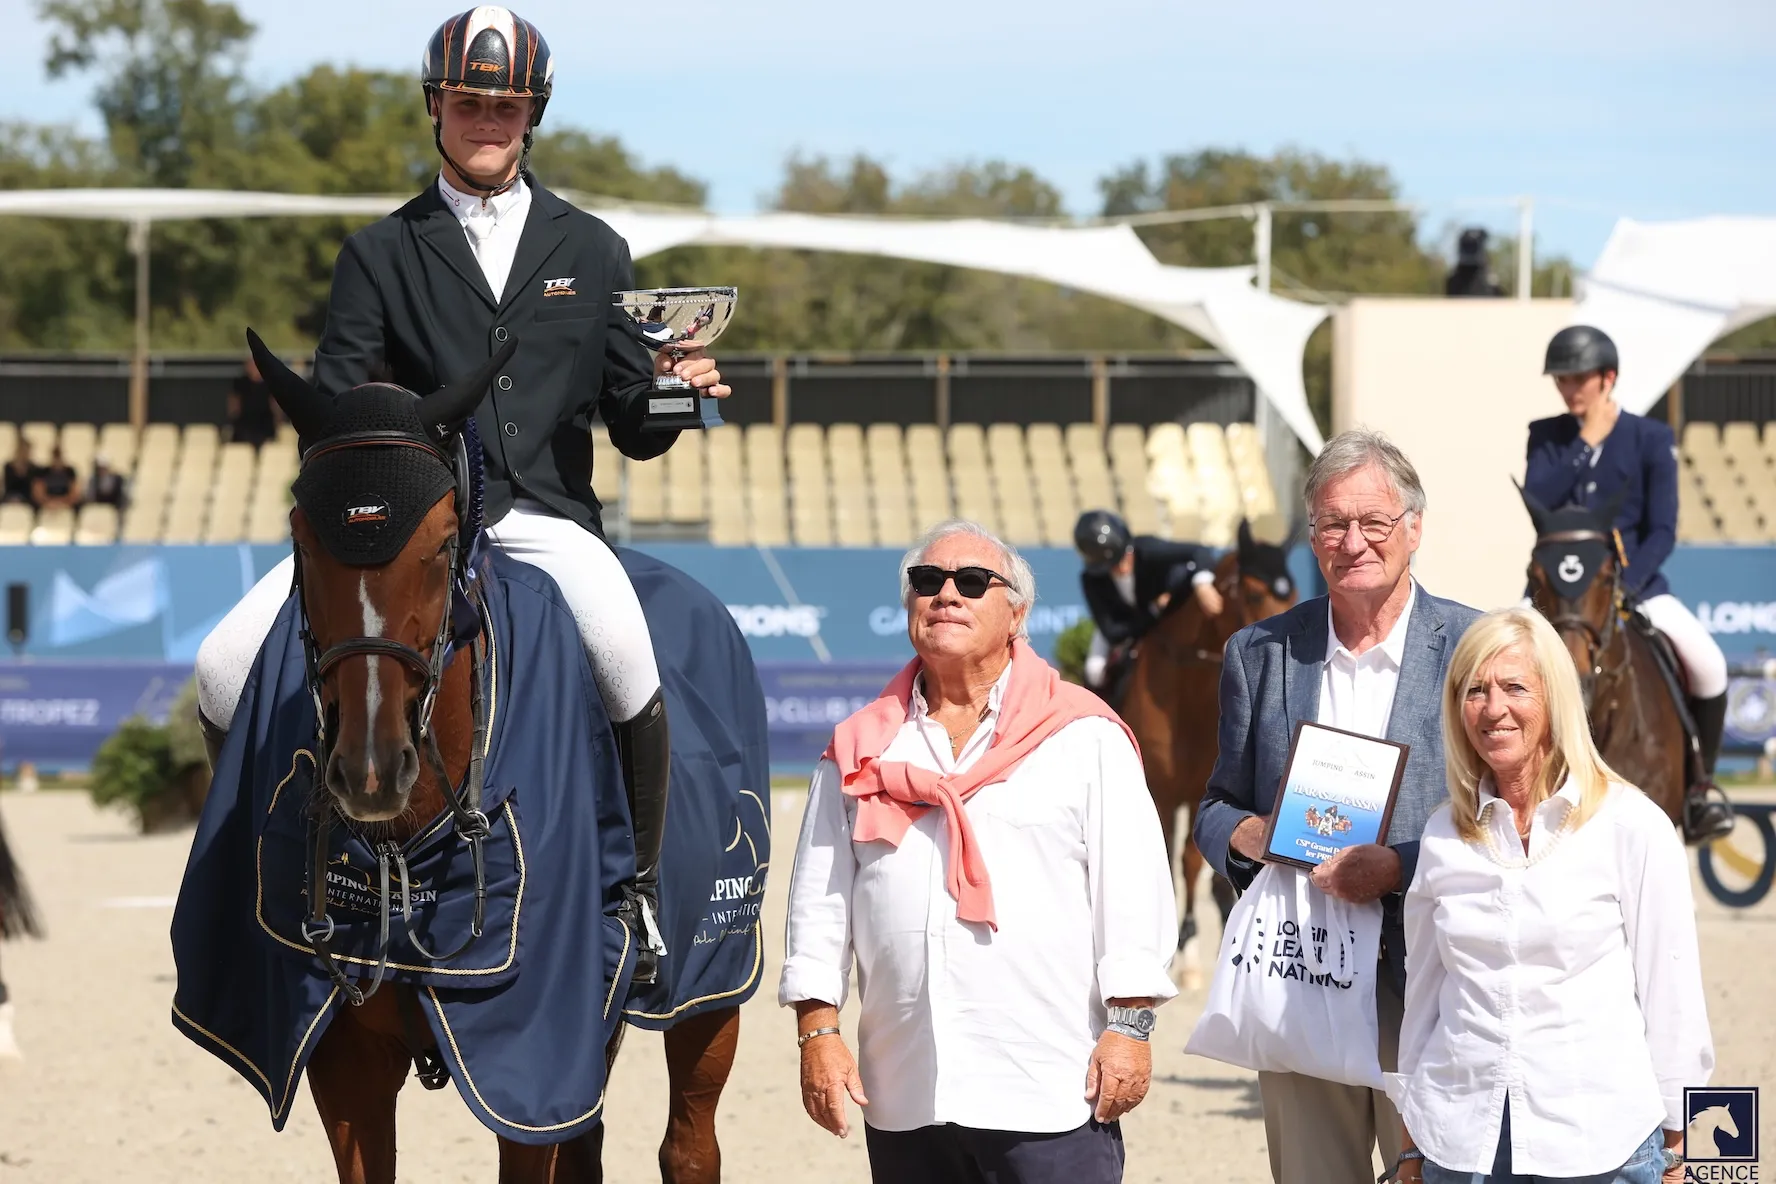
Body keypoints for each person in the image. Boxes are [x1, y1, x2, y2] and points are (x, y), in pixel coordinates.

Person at [190, 6, 731, 984]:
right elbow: (344, 406)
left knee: (625, 648)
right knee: (223, 661)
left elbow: (633, 424)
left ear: (533, 114)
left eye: (508, 104)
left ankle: (638, 895)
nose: (489, 119)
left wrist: (678, 394)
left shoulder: (593, 248)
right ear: (437, 105)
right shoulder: (379, 253)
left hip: (545, 516)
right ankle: (251, 878)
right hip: (411, 519)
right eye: (471, 101)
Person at [782, 518, 1178, 1184]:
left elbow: (1134, 892)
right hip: (905, 1091)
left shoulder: (1084, 736)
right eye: (927, 581)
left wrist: (1131, 1029)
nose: (946, 595)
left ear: (1016, 611)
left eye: (971, 582)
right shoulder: (859, 747)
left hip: (1049, 1089)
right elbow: (818, 906)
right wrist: (817, 1032)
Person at [1193, 429, 1481, 1184]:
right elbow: (1215, 804)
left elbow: (1511, 819)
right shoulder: (1257, 652)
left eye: (1373, 522)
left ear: (1413, 528)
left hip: (1433, 976)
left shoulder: (1474, 647)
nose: (1352, 542)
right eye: (1331, 524)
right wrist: (1249, 832)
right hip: (1299, 974)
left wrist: (1399, 867)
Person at [1387, 607, 1711, 1184]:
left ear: (1555, 698)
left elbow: (1673, 996)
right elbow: (1425, 1002)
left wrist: (1679, 1147)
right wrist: (1412, 1145)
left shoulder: (1633, 826)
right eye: (1475, 690)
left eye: (1515, 687)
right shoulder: (1441, 835)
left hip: (1599, 1143)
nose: (1493, 709)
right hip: (1460, 1145)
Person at [1527, 324, 1734, 841]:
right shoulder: (1547, 437)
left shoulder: (1650, 438)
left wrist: (1627, 587)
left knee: (1709, 663)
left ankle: (1700, 789)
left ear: (1608, 378)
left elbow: (1662, 528)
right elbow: (1540, 503)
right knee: (1491, 659)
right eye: (1562, 380)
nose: (1568, 389)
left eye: (1578, 379)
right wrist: (1584, 445)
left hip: (1636, 585)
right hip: (1558, 590)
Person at [1073, 508, 1222, 695]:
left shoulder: (1147, 548)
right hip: (1126, 624)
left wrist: (1202, 583)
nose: (1123, 566)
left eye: (1124, 557)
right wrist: (1153, 610)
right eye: (1113, 565)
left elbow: (1200, 552)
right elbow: (1113, 632)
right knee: (1094, 671)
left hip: (1167, 615)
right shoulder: (1091, 580)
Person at [227, 352, 279, 448]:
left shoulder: (270, 383)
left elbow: (274, 404)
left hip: (265, 425)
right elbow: (234, 403)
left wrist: (277, 421)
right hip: (245, 425)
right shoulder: (240, 383)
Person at [30, 446, 81, 512]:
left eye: (59, 457)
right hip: (46, 506)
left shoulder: (70, 472)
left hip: (67, 506)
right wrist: (49, 503)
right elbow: (38, 493)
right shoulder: (42, 472)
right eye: (55, 457)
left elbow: (74, 493)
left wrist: (61, 503)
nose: (57, 461)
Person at [1, 440, 37, 506]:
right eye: (22, 450)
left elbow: (32, 488)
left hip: (27, 498)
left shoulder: (33, 468)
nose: (23, 453)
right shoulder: (8, 467)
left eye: (26, 451)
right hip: (9, 496)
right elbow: (7, 485)